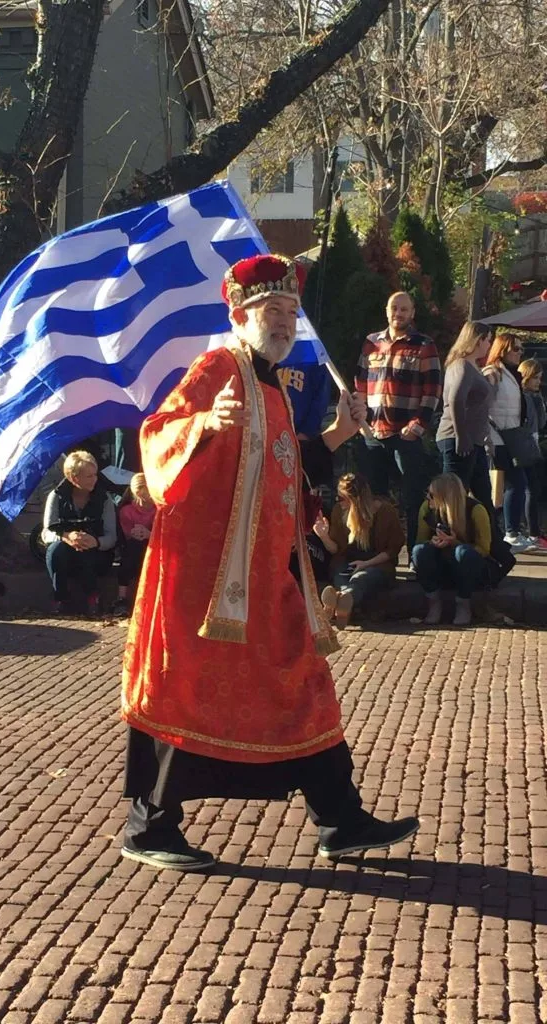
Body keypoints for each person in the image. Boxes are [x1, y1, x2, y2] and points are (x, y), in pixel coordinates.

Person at [121, 253, 419, 871]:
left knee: (306, 686)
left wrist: (337, 434)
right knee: (184, 692)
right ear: (239, 314)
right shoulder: (216, 368)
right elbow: (157, 436)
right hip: (204, 584)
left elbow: (286, 467)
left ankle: (340, 820)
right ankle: (149, 827)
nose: (285, 321)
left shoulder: (273, 388)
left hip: (270, 577)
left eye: (290, 311)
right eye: (272, 310)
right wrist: (204, 422)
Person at [355, 291, 441, 554]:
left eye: (404, 309)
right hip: (372, 433)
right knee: (373, 498)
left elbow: (433, 390)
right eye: (394, 308)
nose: (398, 314)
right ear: (386, 311)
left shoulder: (424, 345)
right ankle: (378, 556)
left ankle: (417, 554)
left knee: (413, 498)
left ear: (412, 313)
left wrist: (417, 427)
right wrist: (359, 419)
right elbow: (359, 384)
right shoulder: (371, 343)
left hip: (406, 436)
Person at [315, 472, 405, 629]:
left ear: (355, 499)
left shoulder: (385, 512)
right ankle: (342, 601)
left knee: (362, 578)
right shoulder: (338, 511)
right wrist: (323, 536)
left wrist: (366, 563)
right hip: (346, 563)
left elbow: (392, 550)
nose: (338, 502)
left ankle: (337, 603)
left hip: (376, 564)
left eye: (342, 498)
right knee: (341, 576)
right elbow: (335, 548)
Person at [41, 450, 117, 615]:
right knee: (55, 550)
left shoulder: (104, 499)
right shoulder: (56, 497)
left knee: (86, 550)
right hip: (65, 553)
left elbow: (112, 536)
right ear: (74, 478)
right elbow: (46, 532)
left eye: (95, 475)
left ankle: (93, 598)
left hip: (95, 555)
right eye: (89, 476)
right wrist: (66, 537)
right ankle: (60, 598)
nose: (95, 479)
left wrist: (95, 541)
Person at [412, 473, 492, 626]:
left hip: (468, 568)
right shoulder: (426, 508)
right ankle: (433, 602)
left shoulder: (476, 509)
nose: (428, 498)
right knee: (419, 551)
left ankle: (464, 604)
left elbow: (484, 549)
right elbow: (420, 541)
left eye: (431, 495)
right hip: (440, 565)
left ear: (444, 497)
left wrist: (454, 542)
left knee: (463, 553)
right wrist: (432, 542)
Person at [435, 321, 493, 512]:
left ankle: (492, 539)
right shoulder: (462, 365)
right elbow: (456, 399)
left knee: (483, 494)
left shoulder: (472, 367)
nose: (489, 346)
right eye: (487, 340)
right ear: (478, 340)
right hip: (458, 438)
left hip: (474, 440)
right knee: (454, 495)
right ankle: (447, 534)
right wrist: (461, 435)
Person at [483, 333, 529, 551]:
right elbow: (482, 403)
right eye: (516, 349)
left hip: (509, 435)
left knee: (515, 482)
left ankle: (510, 530)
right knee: (514, 483)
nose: (520, 353)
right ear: (503, 350)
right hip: (498, 437)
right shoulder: (494, 373)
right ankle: (510, 531)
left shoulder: (511, 375)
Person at [114, 473, 156, 617]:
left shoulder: (158, 510)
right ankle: (122, 599)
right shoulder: (127, 511)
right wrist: (134, 533)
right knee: (132, 551)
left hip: (154, 545)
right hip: (133, 546)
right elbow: (126, 534)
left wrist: (149, 534)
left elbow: (162, 532)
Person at [518, 357, 547, 550]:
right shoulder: (525, 397)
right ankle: (533, 531)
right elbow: (535, 422)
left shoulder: (533, 396)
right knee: (530, 488)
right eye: (535, 378)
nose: (539, 382)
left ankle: (533, 529)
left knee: (531, 488)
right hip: (525, 445)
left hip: (531, 444)